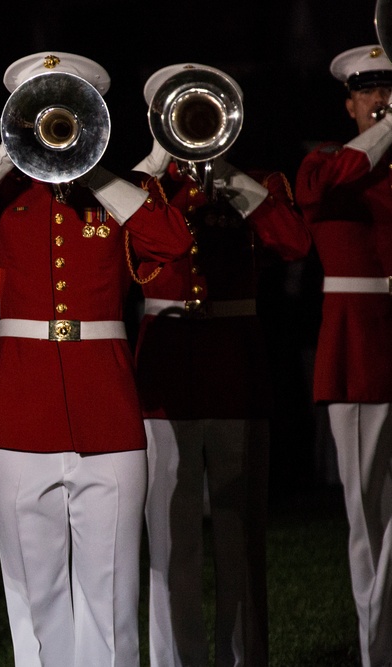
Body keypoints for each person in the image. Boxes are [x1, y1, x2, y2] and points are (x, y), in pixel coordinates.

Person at [0, 51, 193, 666]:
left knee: (112, 595)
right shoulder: (4, 195)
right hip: (21, 416)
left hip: (109, 415)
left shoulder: (124, 192)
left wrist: (93, 166)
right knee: (34, 595)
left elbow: (171, 243)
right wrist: (8, 149)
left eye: (66, 106)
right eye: (39, 107)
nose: (54, 118)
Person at [130, 63, 312, 667]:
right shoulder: (145, 188)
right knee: (168, 535)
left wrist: (228, 173)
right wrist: (159, 162)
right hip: (166, 371)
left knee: (241, 532)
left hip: (236, 367)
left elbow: (293, 243)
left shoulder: (257, 182)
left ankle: (246, 657)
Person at [295, 44, 392, 667]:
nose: (380, 101)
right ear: (350, 101)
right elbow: (327, 189)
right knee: (367, 520)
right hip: (359, 351)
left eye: (389, 91)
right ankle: (376, 649)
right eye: (370, 94)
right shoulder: (323, 164)